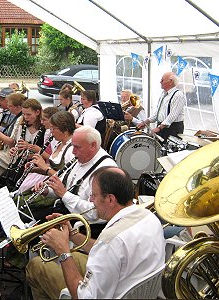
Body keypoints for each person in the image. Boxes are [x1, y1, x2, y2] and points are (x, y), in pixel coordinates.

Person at [26, 166, 165, 299]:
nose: (91, 200)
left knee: (36, 265)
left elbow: (84, 297)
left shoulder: (110, 241)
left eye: (94, 195)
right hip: (131, 287)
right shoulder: (149, 217)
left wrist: (63, 252)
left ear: (110, 199)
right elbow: (109, 252)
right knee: (73, 256)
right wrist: (72, 235)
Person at [33, 126, 117, 223]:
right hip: (64, 213)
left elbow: (95, 213)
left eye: (77, 147)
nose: (73, 152)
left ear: (93, 145)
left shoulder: (107, 170)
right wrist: (48, 190)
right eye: (73, 146)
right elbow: (65, 188)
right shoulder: (82, 158)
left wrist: (64, 194)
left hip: (81, 224)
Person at [137, 72, 186, 142]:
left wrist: (159, 128)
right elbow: (157, 113)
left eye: (162, 80)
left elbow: (172, 116)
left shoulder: (178, 95)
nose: (160, 82)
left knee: (170, 151)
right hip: (162, 126)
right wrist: (145, 122)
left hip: (173, 128)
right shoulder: (163, 94)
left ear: (170, 82)